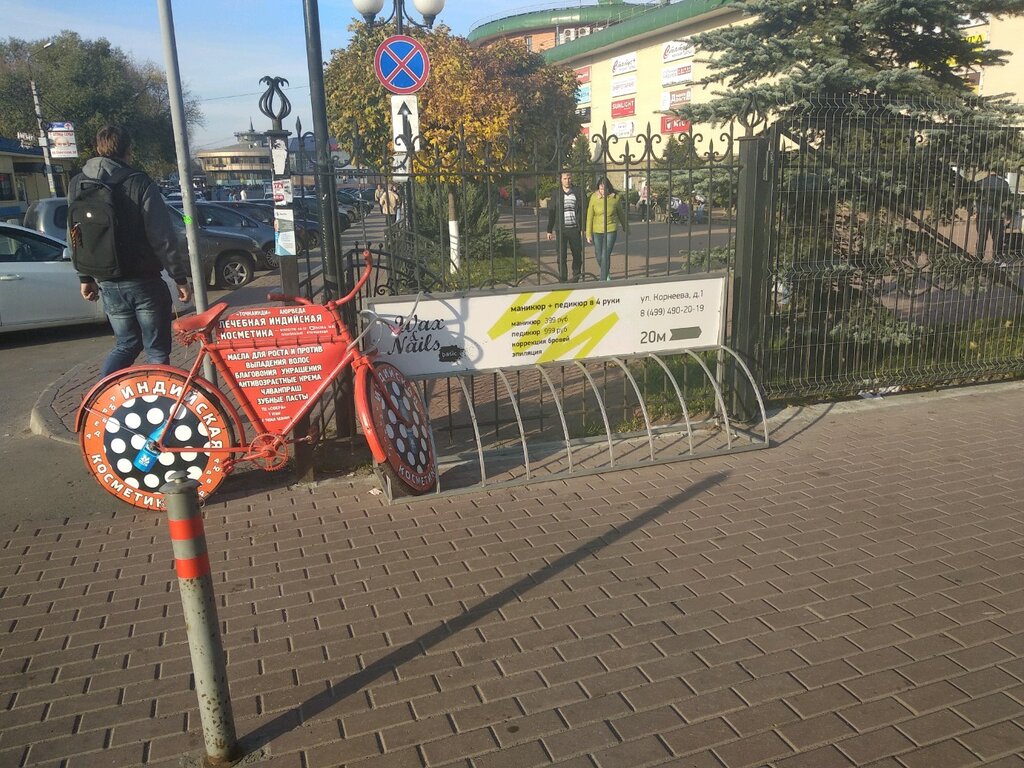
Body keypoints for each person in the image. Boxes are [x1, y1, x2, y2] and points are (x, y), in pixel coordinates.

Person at [73, 125, 191, 377]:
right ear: (128, 149)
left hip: (107, 280)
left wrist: (85, 277)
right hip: (144, 281)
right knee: (156, 349)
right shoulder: (139, 182)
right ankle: (159, 399)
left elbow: (74, 234)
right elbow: (162, 236)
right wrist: (179, 277)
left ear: (98, 148)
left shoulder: (78, 183)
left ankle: (101, 394)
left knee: (126, 343)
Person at [585, 176, 628, 281]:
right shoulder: (594, 197)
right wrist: (588, 233)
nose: (602, 191)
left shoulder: (615, 198)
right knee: (598, 255)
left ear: (609, 188)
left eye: (604, 189)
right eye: (600, 189)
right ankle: (606, 271)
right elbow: (589, 216)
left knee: (605, 254)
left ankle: (603, 279)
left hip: (610, 229)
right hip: (597, 230)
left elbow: (621, 214)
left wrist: (625, 226)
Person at [546, 171, 585, 282]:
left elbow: (583, 210)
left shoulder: (577, 192)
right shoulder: (556, 193)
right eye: (565, 178)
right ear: (561, 180)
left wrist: (583, 227)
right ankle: (563, 279)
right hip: (561, 230)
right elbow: (552, 211)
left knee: (577, 255)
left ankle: (576, 277)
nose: (567, 181)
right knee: (561, 256)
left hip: (574, 229)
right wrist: (549, 230)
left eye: (569, 178)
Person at [976, 171, 1010, 261]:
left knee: (982, 236)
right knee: (997, 236)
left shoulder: (980, 183)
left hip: (983, 212)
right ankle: (997, 257)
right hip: (997, 213)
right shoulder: (1003, 183)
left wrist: (978, 208)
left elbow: (976, 198)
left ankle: (979, 257)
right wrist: (1007, 212)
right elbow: (1008, 199)